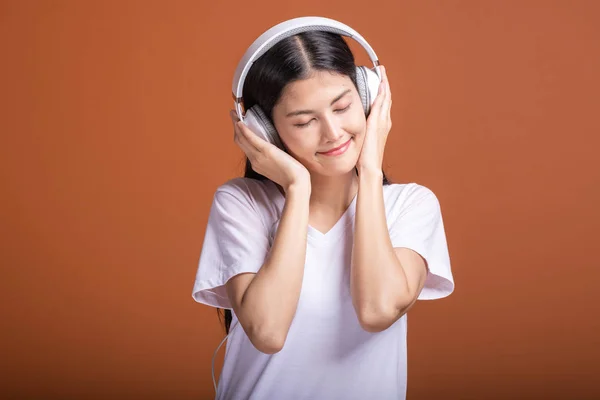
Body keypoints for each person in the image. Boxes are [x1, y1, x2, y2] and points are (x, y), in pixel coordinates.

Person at [192, 19, 455, 400]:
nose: (332, 132)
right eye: (305, 121)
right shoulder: (242, 204)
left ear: (369, 97)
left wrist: (369, 169)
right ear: (264, 131)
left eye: (343, 106)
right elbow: (267, 332)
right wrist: (297, 189)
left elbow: (377, 309)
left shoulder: (411, 206)